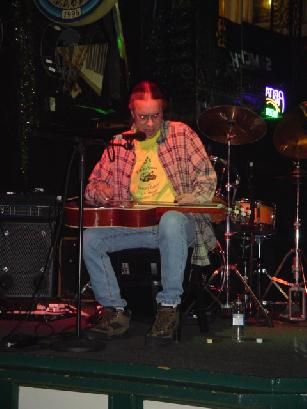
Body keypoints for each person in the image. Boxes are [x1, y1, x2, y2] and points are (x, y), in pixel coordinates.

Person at [83, 80, 217, 345]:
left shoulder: (181, 135)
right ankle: (115, 311)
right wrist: (102, 192)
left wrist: (195, 196)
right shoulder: (119, 144)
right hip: (137, 226)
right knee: (91, 238)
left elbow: (208, 178)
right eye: (143, 117)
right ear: (132, 114)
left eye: (156, 116)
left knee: (170, 220)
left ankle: (168, 308)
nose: (150, 123)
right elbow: (92, 186)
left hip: (180, 226)